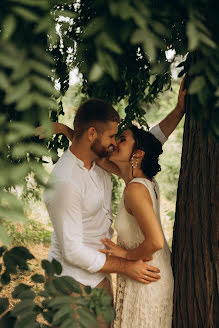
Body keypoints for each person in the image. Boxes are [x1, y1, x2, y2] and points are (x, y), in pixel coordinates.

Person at [39, 77, 187, 327]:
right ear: (92, 134)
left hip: (105, 273)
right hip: (72, 280)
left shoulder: (103, 162)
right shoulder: (65, 181)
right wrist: (127, 266)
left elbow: (149, 144)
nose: (114, 143)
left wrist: (179, 110)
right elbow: (73, 251)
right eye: (112, 136)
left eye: (119, 138)